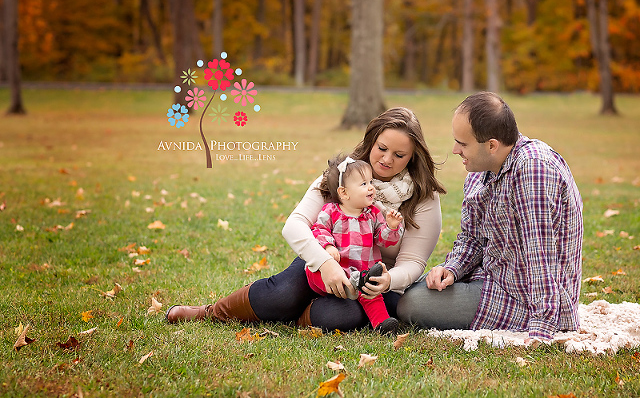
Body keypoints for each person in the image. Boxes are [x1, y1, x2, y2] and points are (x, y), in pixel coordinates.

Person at [166, 107, 446, 331]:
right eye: (381, 148)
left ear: (412, 158)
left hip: (374, 283)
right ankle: (210, 313)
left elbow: (413, 263)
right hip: (325, 263)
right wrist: (325, 263)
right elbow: (295, 225)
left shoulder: (423, 196)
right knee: (282, 294)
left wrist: (388, 280)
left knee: (341, 316)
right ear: (371, 141)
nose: (386, 160)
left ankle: (298, 317)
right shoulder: (343, 176)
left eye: (399, 155)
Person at [397, 92, 583, 343]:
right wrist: (452, 269)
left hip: (526, 298)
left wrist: (541, 330)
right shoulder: (479, 170)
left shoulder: (533, 170)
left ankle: (539, 318)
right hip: (495, 277)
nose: (454, 150)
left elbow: (541, 256)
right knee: (412, 292)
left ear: (492, 145)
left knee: (411, 304)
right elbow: (471, 238)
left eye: (462, 144)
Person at [306, 154, 404, 333]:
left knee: (371, 294)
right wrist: (328, 247)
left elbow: (383, 240)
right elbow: (318, 229)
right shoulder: (331, 211)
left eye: (370, 182)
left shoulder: (373, 214)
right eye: (363, 184)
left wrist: (391, 227)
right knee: (312, 272)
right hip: (335, 273)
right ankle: (348, 287)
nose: (371, 188)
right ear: (343, 192)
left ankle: (382, 324)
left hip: (361, 273)